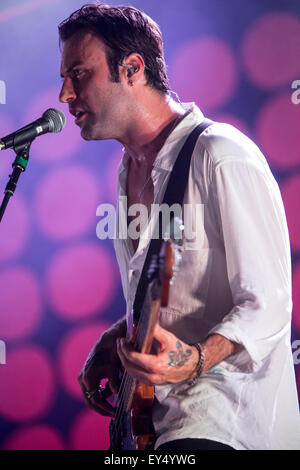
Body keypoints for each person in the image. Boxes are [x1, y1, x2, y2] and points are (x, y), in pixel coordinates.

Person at [58, 3, 300, 450]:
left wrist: (195, 360)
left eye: (78, 73)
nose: (65, 95)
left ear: (132, 68)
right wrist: (118, 339)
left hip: (226, 422)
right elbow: (179, 296)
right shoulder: (125, 172)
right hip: (158, 426)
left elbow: (269, 303)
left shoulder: (221, 153)